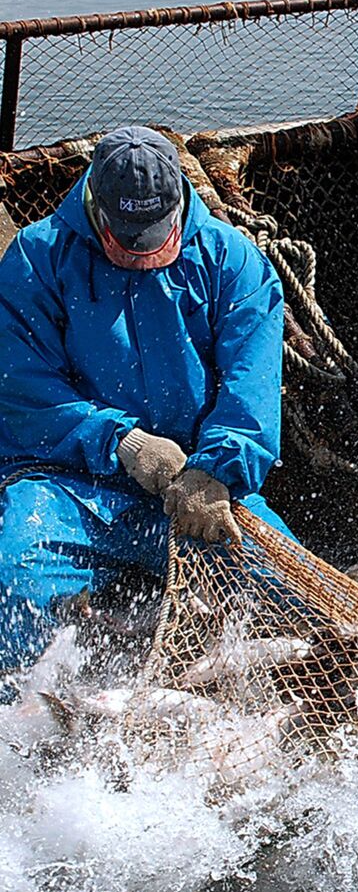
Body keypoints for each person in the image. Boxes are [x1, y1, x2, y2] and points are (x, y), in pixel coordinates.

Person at [0, 125, 292, 683]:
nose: (142, 254)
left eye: (157, 237)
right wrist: (121, 443)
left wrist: (217, 470)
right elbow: (22, 393)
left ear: (182, 204)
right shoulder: (35, 260)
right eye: (127, 240)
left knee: (295, 591)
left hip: (196, 488)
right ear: (96, 211)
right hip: (66, 485)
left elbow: (251, 389)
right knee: (15, 582)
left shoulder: (234, 262)